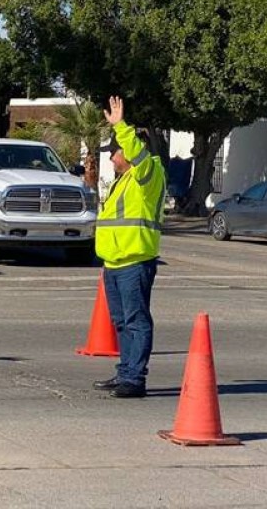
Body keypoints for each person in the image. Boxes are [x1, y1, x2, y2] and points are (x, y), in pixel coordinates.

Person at [93, 97, 166, 399]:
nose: (111, 159)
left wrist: (121, 127)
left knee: (136, 321)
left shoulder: (147, 174)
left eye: (113, 153)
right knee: (121, 322)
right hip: (114, 262)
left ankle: (135, 379)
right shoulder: (123, 181)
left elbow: (137, 153)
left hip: (134, 261)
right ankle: (126, 371)